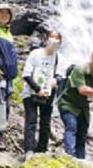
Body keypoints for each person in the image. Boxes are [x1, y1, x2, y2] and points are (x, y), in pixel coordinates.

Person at [58, 48, 93, 159]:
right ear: (92, 57)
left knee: (82, 134)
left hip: (83, 108)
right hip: (68, 104)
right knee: (71, 126)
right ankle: (70, 156)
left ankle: (81, 160)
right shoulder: (80, 69)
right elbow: (82, 90)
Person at [21, 30, 63, 159]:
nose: (54, 40)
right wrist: (37, 89)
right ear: (46, 39)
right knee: (31, 120)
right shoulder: (36, 53)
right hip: (31, 91)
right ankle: (29, 150)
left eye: (57, 38)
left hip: (48, 94)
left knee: (45, 122)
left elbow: (61, 76)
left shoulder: (58, 57)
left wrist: (56, 79)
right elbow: (26, 74)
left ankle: (42, 149)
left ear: (60, 43)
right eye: (51, 37)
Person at [0, 3, 18, 147]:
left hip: (8, 76)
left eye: (7, 13)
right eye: (1, 13)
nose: (4, 16)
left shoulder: (8, 33)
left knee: (5, 105)